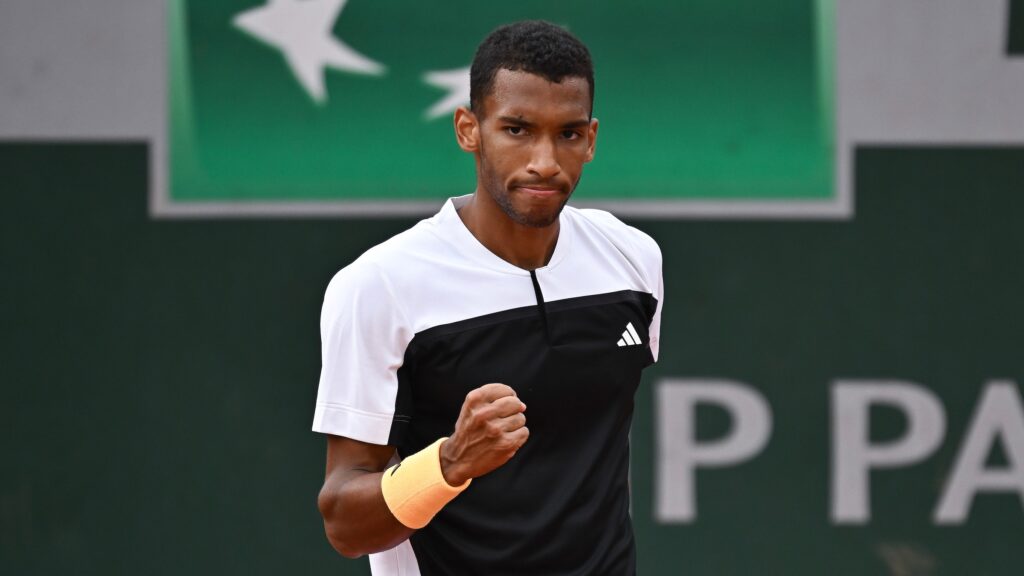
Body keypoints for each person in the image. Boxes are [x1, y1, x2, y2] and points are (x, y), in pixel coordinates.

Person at [313, 20, 663, 575]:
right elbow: (345, 524)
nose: (544, 161)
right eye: (518, 129)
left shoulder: (633, 261)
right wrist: (449, 464)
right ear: (468, 129)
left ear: (591, 139)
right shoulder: (379, 285)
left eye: (568, 134)